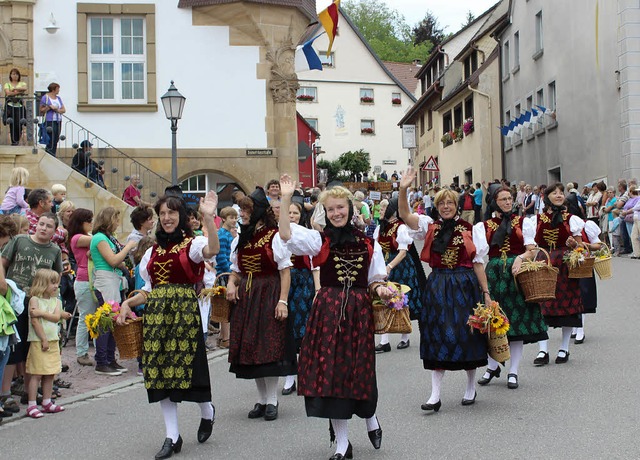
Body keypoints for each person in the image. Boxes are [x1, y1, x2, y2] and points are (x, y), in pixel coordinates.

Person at [278, 175, 389, 460]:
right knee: (331, 375)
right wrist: (287, 198)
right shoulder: (319, 241)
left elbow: (375, 279)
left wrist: (383, 289)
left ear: (350, 209)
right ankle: (342, 443)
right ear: (325, 213)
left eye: (340, 208)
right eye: (330, 209)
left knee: (359, 371)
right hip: (327, 311)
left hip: (359, 312)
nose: (336, 213)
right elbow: (287, 234)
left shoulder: (368, 243)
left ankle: (370, 417)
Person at [117, 190, 220, 459]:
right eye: (162, 213)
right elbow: (149, 290)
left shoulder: (193, 244)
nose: (166, 218)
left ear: (181, 216)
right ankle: (172, 436)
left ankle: (207, 411)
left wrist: (208, 218)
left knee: (191, 370)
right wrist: (128, 303)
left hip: (184, 314)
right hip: (157, 316)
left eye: (171, 213)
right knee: (160, 374)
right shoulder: (151, 251)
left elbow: (214, 250)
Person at [398, 167, 489, 412]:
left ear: (457, 205)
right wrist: (403, 189)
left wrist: (487, 294)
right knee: (436, 334)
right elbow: (406, 215)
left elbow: (478, 263)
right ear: (436, 207)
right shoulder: (429, 226)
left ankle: (470, 386)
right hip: (438, 284)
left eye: (450, 203)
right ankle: (435, 395)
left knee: (467, 334)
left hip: (464, 284)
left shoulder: (472, 229)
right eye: (442, 203)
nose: (446, 206)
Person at [224, 187, 295, 423]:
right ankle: (262, 400)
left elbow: (285, 271)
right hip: (247, 295)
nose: (242, 214)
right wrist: (232, 284)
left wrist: (282, 301)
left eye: (246, 210)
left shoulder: (274, 236)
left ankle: (272, 400)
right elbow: (236, 271)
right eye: (242, 210)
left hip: (269, 291)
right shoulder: (241, 238)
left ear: (258, 212)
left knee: (268, 346)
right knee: (252, 347)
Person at [474, 188, 548, 390]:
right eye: (503, 199)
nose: (508, 202)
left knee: (516, 325)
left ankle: (513, 370)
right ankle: (492, 366)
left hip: (517, 275)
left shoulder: (524, 222)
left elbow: (532, 250)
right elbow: (478, 258)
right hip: (495, 274)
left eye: (509, 199)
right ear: (494, 202)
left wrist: (521, 259)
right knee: (491, 322)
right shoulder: (484, 226)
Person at [0, 212, 64, 414]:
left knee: (31, 347)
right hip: (16, 300)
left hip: (37, 303)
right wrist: (4, 285)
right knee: (13, 348)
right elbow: (3, 262)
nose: (43, 228)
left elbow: (57, 274)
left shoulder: (53, 250)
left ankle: (31, 392)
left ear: (55, 231)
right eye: (41, 224)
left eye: (49, 226)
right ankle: (6, 392)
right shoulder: (20, 240)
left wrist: (54, 300)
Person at [531, 183, 585, 366]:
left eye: (561, 192)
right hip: (544, 261)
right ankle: (542, 351)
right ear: (547, 197)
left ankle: (564, 348)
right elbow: (532, 245)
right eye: (555, 193)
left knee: (567, 306)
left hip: (565, 263)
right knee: (541, 304)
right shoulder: (537, 219)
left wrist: (573, 245)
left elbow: (581, 247)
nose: (559, 195)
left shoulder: (571, 219)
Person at [374, 197, 426, 352]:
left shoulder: (401, 227)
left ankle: (405, 337)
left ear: (390, 210)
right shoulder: (381, 227)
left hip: (400, 266)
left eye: (383, 209)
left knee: (401, 300)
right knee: (383, 300)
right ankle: (384, 341)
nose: (380, 212)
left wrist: (389, 266)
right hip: (384, 264)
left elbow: (403, 252)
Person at [90, 207, 137, 376]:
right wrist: (129, 247)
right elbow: (113, 260)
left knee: (113, 321)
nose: (118, 224)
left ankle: (110, 358)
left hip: (114, 281)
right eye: (116, 220)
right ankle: (101, 361)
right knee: (105, 322)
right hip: (105, 282)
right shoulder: (99, 238)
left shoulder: (109, 238)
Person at [281, 199, 320, 395]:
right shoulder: (279, 236)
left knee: (304, 329)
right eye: (288, 213)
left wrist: (318, 291)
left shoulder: (307, 236)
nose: (291, 217)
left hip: (303, 285)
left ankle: (306, 373)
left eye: (295, 213)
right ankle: (290, 375)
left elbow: (315, 265)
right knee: (286, 329)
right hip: (285, 285)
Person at [25, 269, 65, 418]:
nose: (55, 286)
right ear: (42, 284)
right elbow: (34, 322)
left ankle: (47, 401)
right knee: (36, 373)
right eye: (52, 283)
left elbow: (55, 318)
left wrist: (41, 313)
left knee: (50, 372)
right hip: (39, 340)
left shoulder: (57, 301)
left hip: (53, 340)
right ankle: (32, 404)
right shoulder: (35, 299)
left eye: (57, 283)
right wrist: (43, 338)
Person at [67, 208, 96, 366]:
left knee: (94, 317)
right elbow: (99, 240)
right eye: (89, 221)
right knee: (85, 317)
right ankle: (82, 352)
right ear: (81, 223)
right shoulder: (78, 238)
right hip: (85, 280)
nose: (91, 224)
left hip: (90, 280)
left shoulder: (86, 237)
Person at [214, 207, 237, 349]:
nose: (234, 220)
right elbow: (222, 257)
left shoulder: (229, 234)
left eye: (235, 218)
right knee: (225, 306)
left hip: (228, 273)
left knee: (225, 306)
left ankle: (223, 337)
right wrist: (231, 272)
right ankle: (226, 338)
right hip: (224, 274)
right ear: (223, 219)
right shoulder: (222, 235)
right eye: (231, 218)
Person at [39, 82, 65, 157]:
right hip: (49, 121)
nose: (58, 90)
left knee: (56, 138)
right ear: (54, 89)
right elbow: (41, 109)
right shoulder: (45, 97)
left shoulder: (58, 98)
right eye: (58, 89)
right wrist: (49, 107)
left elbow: (63, 109)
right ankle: (49, 154)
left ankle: (53, 154)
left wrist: (57, 110)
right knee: (51, 139)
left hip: (58, 120)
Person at [4, 68, 27, 145]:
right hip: (11, 106)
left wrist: (14, 89)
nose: (15, 76)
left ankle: (17, 141)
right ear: (10, 75)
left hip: (19, 106)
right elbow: (8, 93)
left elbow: (25, 88)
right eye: (13, 74)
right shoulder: (7, 84)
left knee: (19, 124)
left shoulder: (22, 83)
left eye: (16, 74)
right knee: (12, 124)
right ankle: (14, 141)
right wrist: (18, 92)